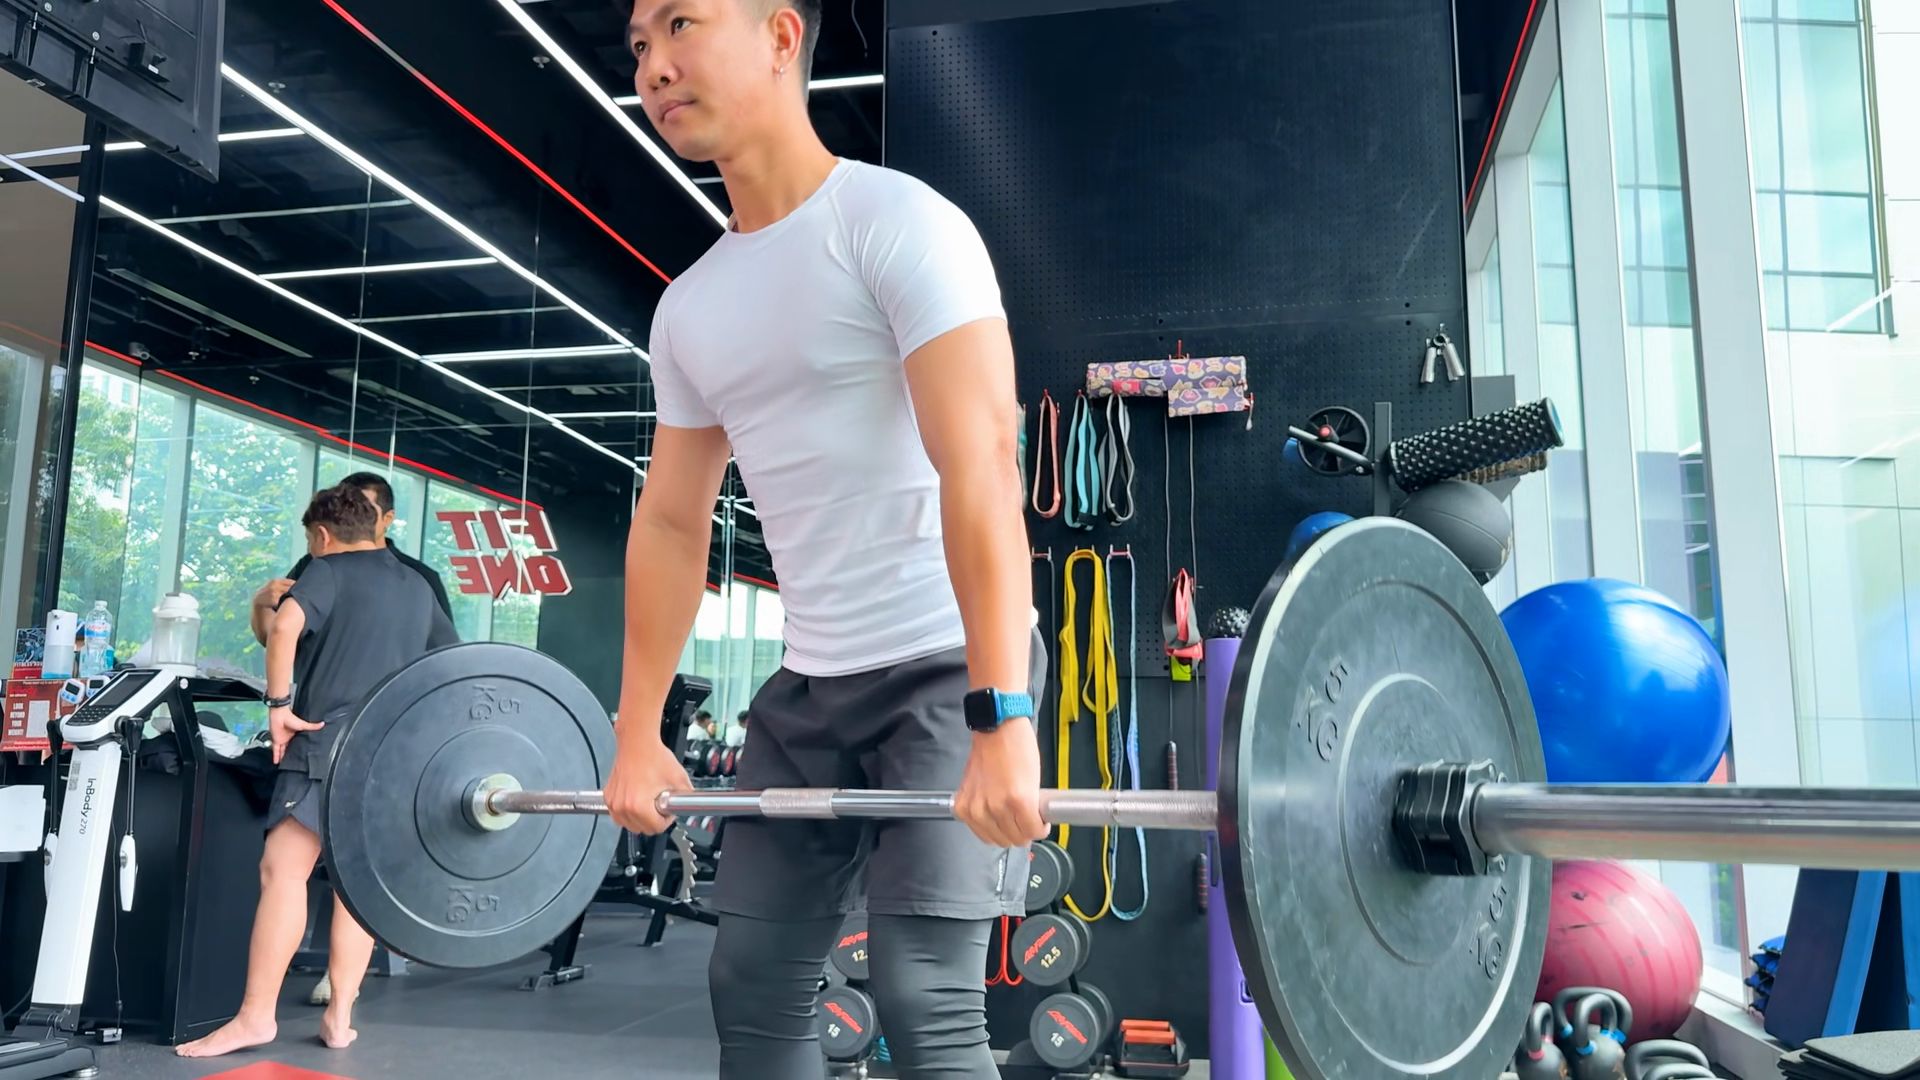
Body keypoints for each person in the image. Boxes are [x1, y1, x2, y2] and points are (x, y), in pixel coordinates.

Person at [602, 2, 1044, 1076]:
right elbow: (672, 521)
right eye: (640, 46)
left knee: (923, 994)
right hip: (808, 688)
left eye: (680, 25)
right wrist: (636, 729)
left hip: (948, 671)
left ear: (780, 37)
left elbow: (982, 463)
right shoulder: (689, 307)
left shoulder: (899, 223)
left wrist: (1002, 713)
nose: (654, 66)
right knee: (751, 987)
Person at [178, 484, 460, 1058]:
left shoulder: (326, 571)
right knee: (355, 887)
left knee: (283, 872)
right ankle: (339, 1017)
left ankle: (256, 1017)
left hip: (324, 744)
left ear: (323, 536)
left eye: (310, 540)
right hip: (389, 753)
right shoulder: (416, 584)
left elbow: (283, 629)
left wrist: (279, 707)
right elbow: (448, 662)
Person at [249, 471, 452, 647]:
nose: (355, 516)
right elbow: (279, 634)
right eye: (346, 508)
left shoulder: (422, 578)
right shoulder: (313, 564)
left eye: (366, 510)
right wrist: (260, 605)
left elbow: (443, 654)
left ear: (387, 518)